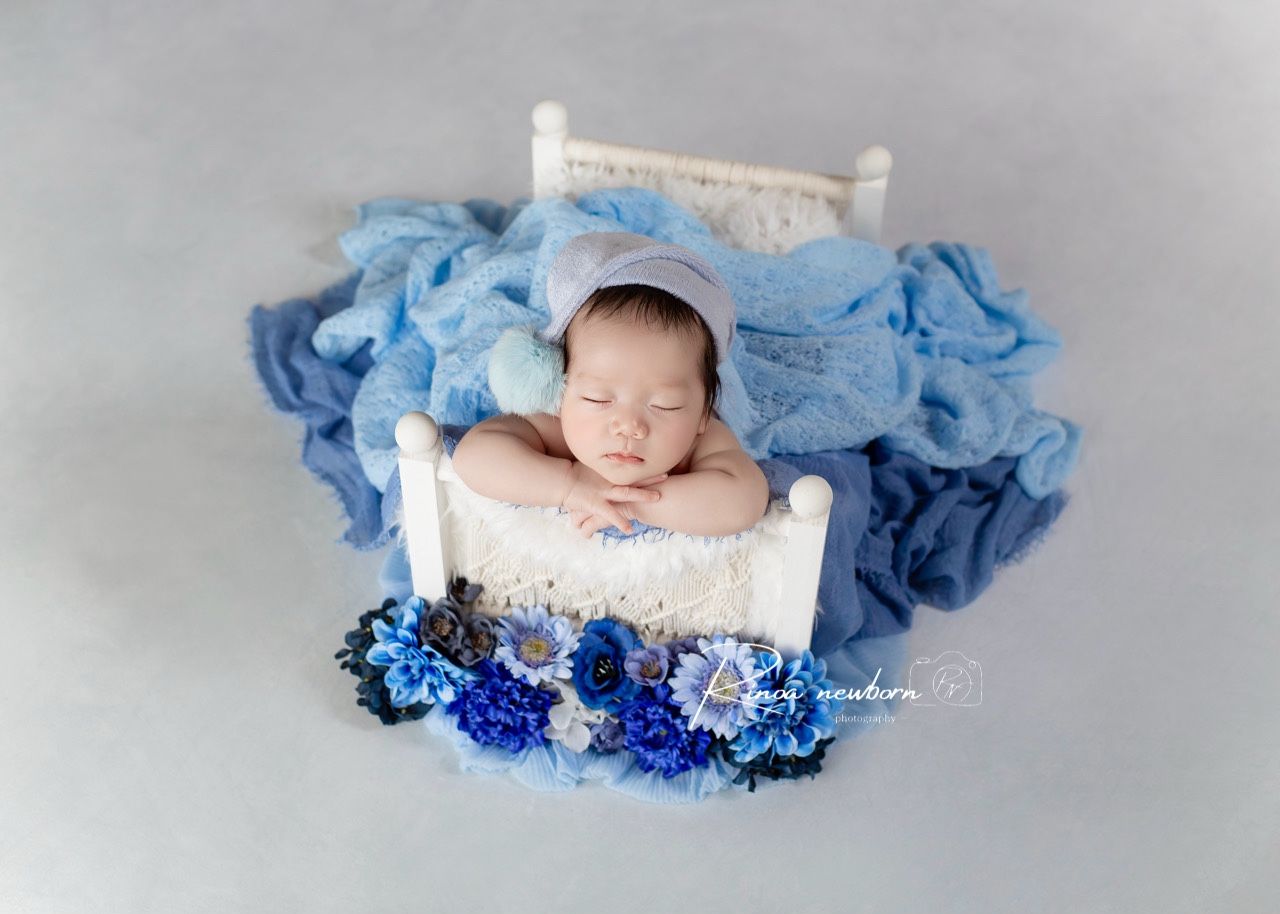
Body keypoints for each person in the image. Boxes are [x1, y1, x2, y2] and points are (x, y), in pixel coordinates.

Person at [452, 232, 769, 539]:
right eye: (597, 399)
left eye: (665, 405)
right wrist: (569, 484)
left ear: (702, 413)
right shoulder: (558, 424)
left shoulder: (700, 440)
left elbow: (745, 501)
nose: (629, 426)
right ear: (560, 394)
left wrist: (630, 503)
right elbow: (473, 455)